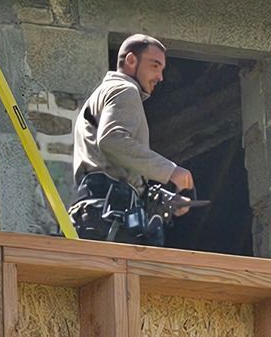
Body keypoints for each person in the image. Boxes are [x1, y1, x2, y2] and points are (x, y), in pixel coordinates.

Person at [72, 38, 195, 232]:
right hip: (110, 216)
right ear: (131, 60)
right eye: (155, 66)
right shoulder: (125, 90)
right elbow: (112, 140)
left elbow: (112, 166)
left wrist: (159, 198)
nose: (160, 77)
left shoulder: (103, 93)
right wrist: (171, 171)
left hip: (96, 211)